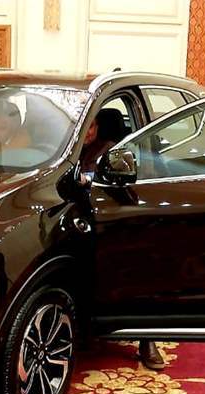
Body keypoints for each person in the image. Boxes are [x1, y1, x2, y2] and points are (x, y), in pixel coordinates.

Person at [79, 109, 165, 371]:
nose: (87, 132)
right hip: (78, 221)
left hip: (114, 221)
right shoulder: (69, 147)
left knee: (140, 273)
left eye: (92, 126)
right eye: (85, 126)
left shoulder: (110, 150)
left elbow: (115, 185)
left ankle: (147, 339)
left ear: (98, 128)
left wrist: (86, 180)